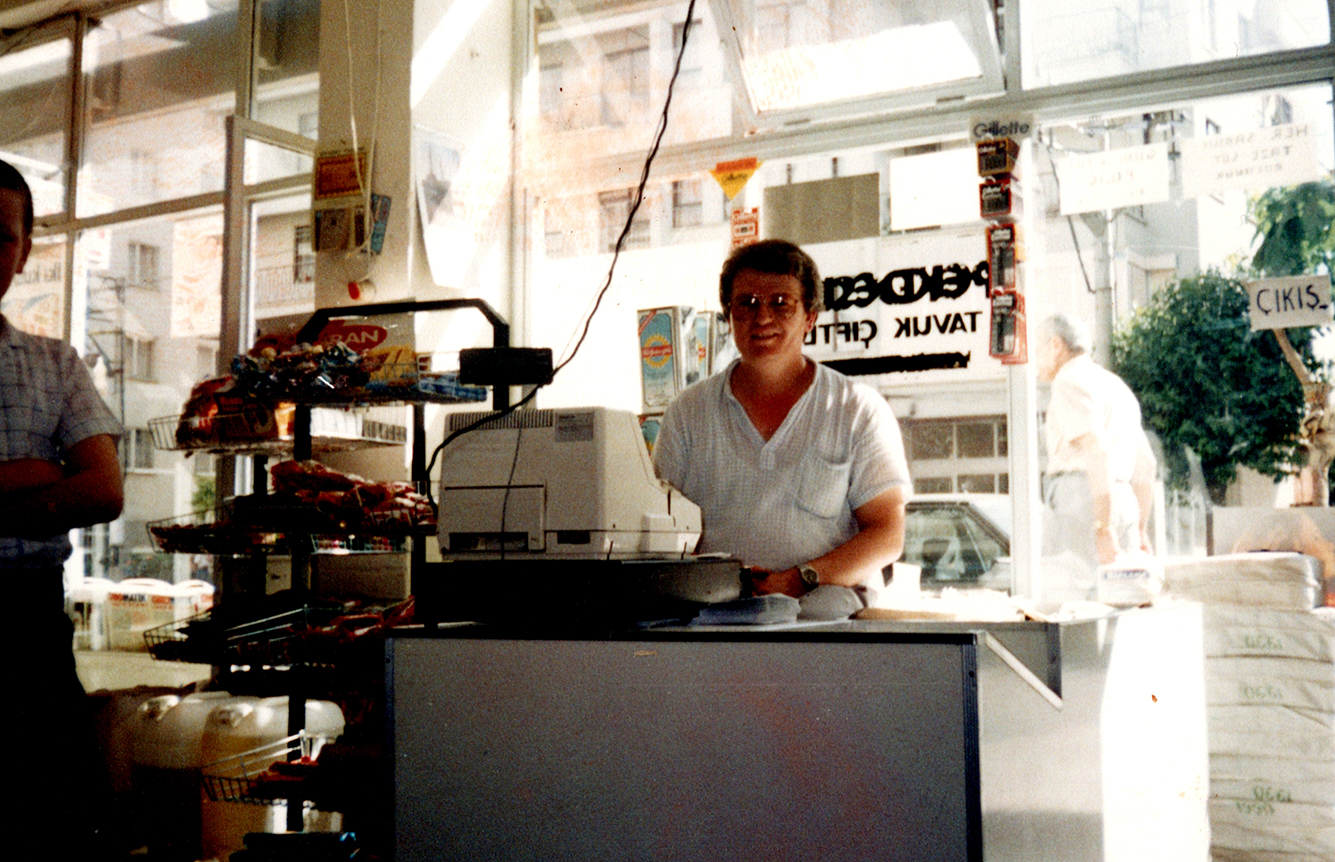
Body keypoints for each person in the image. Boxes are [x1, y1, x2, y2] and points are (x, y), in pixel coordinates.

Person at [652, 239, 910, 619]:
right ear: (729, 316)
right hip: (715, 620)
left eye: (780, 303)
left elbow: (887, 535)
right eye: (747, 303)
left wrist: (799, 579)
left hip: (824, 621)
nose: (762, 318)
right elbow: (659, 534)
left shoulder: (857, 409)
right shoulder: (687, 413)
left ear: (810, 317)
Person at [0, 159, 125, 856]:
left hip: (29, 625)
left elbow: (103, 490)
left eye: (1, 237)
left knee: (57, 826)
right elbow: (74, 484)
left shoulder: (55, 364)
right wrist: (34, 474)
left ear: (23, 251)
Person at [1037, 313, 1156, 597]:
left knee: (1076, 597)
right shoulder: (1117, 386)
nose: (1035, 362)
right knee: (1120, 598)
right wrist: (1140, 528)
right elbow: (1146, 465)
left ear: (1055, 345)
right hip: (1123, 500)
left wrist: (1103, 526)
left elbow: (1097, 451)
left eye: (1038, 350)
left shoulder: (1068, 381)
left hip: (1083, 501)